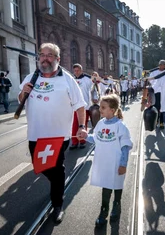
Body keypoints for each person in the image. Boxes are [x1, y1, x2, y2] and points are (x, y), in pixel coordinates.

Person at [19, 43, 87, 223]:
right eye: (42, 55)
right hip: (35, 134)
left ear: (57, 59)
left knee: (57, 169)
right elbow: (21, 99)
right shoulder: (30, 77)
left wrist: (81, 126)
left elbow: (80, 105)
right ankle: (57, 186)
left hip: (58, 135)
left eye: (50, 55)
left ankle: (57, 205)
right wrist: (23, 92)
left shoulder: (67, 79)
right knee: (39, 165)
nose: (45, 58)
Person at [85, 94, 133, 228]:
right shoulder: (100, 123)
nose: (100, 109)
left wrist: (123, 164)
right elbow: (96, 138)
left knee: (117, 187)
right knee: (106, 189)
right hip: (104, 164)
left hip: (116, 164)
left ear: (112, 110)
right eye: (100, 107)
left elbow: (125, 147)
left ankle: (116, 206)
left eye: (103, 107)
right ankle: (103, 212)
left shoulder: (120, 126)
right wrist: (85, 136)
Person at [72, 63, 93, 149]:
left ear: (81, 70)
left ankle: (82, 141)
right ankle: (74, 141)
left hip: (84, 107)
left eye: (78, 70)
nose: (76, 72)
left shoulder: (87, 79)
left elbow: (95, 87)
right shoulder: (72, 80)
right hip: (74, 106)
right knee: (74, 125)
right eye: (75, 71)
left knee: (83, 124)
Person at [149, 60, 165, 128]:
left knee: (163, 108)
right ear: (159, 65)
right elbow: (151, 81)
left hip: (164, 92)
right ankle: (156, 120)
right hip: (156, 92)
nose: (163, 66)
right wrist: (156, 84)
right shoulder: (154, 72)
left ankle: (162, 122)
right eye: (161, 64)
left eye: (164, 65)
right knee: (157, 107)